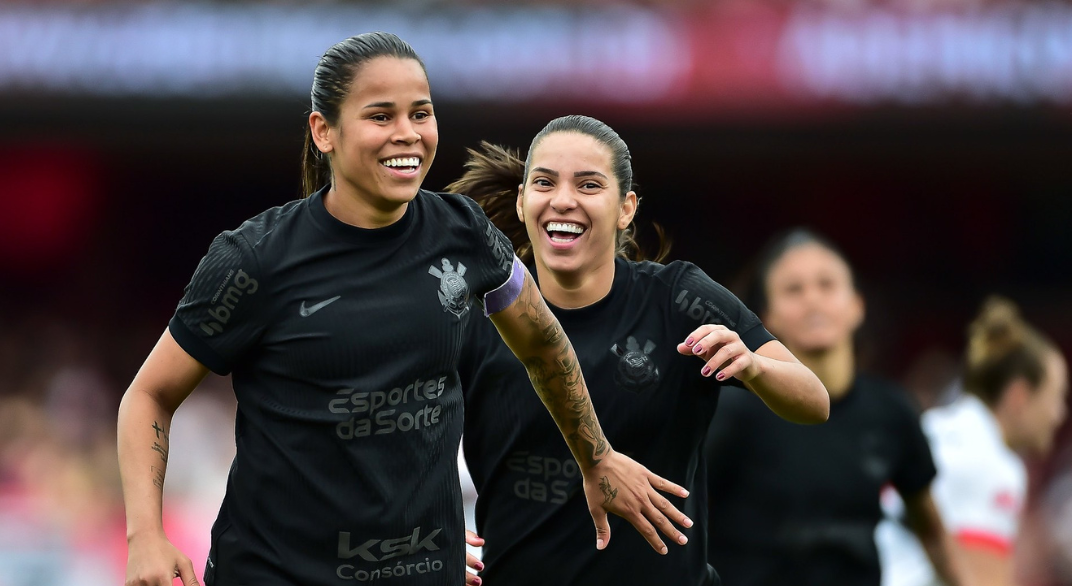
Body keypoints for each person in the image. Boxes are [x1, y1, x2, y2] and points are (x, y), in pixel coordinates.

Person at [116, 33, 690, 586]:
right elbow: (149, 395)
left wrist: (596, 458)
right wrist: (145, 533)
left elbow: (543, 344)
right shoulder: (255, 259)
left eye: (421, 113)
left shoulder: (464, 234)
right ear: (325, 132)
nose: (408, 134)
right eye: (380, 116)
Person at [449, 115, 830, 586]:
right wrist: (429, 531)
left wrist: (753, 366)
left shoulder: (679, 299)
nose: (563, 200)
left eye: (588, 185)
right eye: (545, 183)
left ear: (626, 208)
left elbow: (814, 401)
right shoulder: (479, 313)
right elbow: (399, 437)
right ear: (523, 199)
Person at [705, 229, 967, 586]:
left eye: (827, 285)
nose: (813, 300)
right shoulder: (733, 410)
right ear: (767, 316)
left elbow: (933, 529)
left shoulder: (891, 411)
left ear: (857, 305)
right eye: (794, 290)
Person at [878, 297, 1068, 586]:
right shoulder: (994, 464)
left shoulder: (935, 425)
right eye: (1055, 397)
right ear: (1019, 396)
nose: (1059, 414)